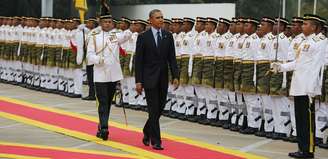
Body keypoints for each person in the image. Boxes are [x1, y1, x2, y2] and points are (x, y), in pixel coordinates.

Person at [271, 14, 326, 159]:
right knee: (300, 119)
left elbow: (318, 66)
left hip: (308, 87)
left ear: (314, 27)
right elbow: (298, 63)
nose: (303, 26)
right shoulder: (304, 41)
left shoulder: (321, 41)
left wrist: (313, 87)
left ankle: (308, 150)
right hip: (298, 85)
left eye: (306, 24)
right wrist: (280, 67)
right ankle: (302, 148)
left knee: (307, 121)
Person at [135, 9, 179, 150]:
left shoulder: (168, 36)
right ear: (150, 20)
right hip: (148, 79)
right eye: (158, 18)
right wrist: (138, 81)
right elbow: (139, 61)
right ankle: (156, 140)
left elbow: (172, 58)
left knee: (160, 109)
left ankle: (147, 130)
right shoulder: (143, 37)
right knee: (153, 109)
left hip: (163, 78)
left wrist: (176, 76)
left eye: (162, 17)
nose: (161, 20)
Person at [87, 13, 132, 140]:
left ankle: (101, 124)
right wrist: (99, 59)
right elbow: (89, 55)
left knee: (108, 102)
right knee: (102, 101)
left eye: (110, 22)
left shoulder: (116, 35)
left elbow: (127, 34)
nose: (108, 24)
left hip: (113, 74)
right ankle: (105, 127)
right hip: (100, 74)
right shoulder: (94, 37)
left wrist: (129, 28)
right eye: (105, 22)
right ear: (100, 23)